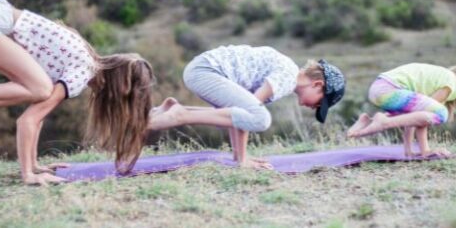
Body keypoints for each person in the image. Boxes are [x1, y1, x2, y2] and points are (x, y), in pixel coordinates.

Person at [0, 0, 155, 185]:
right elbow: (27, 121)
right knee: (40, 89)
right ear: (119, 89)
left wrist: (35, 165)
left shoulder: (85, 65)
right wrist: (28, 175)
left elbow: (36, 115)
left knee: (38, 91)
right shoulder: (84, 70)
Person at [148, 44, 345, 169]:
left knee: (231, 116)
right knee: (261, 119)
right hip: (206, 71)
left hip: (201, 69)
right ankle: (180, 115)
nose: (316, 108)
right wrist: (243, 161)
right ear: (317, 85)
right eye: (320, 102)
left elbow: (240, 113)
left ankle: (173, 109)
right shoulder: (288, 77)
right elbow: (250, 112)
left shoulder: (287, 71)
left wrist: (239, 157)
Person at [347, 63, 456, 157]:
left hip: (380, 89)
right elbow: (425, 119)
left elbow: (416, 117)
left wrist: (408, 150)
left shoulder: (444, 79)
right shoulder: (451, 85)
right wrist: (426, 151)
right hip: (388, 90)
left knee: (425, 113)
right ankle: (383, 121)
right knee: (441, 113)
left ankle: (367, 122)